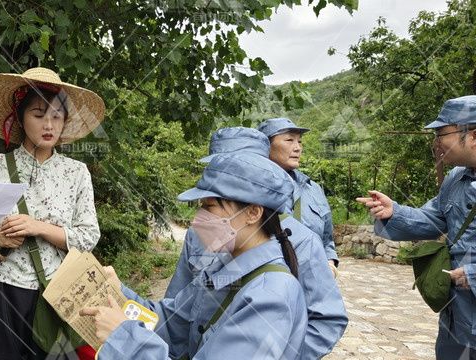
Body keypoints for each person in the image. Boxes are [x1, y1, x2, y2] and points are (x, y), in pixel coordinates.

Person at [81, 151, 307, 359]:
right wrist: (119, 293)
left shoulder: (270, 296)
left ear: (253, 213)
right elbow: (171, 323)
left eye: (210, 207)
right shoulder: (222, 267)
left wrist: (124, 337)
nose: (198, 220)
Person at [165, 127, 347, 359]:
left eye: (237, 167)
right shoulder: (208, 236)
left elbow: (326, 319)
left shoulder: (301, 245)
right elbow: (179, 305)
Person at [0, 67, 105, 359]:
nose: (49, 124)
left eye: (57, 116)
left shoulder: (76, 173)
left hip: (57, 294)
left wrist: (37, 227)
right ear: (20, 117)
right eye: (38, 114)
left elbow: (88, 236)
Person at [357, 95, 476, 359]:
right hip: (457, 316)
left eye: (442, 133)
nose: (436, 142)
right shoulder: (456, 178)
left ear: (473, 136)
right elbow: (434, 219)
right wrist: (394, 212)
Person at [257, 117, 340, 277]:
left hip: (315, 285)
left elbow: (327, 240)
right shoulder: (251, 188)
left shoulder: (313, 188)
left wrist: (330, 265)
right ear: (266, 146)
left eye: (299, 142)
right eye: (289, 140)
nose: (298, 148)